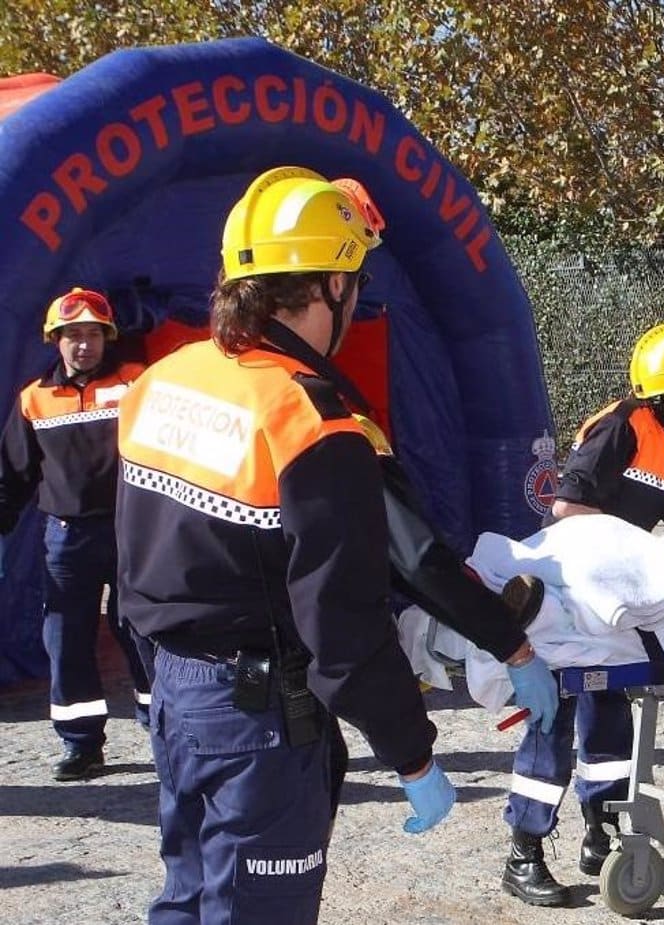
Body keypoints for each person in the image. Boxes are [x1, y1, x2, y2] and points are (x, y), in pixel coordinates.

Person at [116, 166, 549, 924]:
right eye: (354, 278)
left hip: (176, 699)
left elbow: (133, 563)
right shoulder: (312, 422)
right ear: (329, 287)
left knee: (187, 901)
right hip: (256, 719)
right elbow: (343, 631)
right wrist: (413, 753)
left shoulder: (162, 382)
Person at [501, 320, 664, 906]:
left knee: (608, 721)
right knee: (552, 719)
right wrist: (626, 560)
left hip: (611, 614)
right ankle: (522, 854)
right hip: (573, 601)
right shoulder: (621, 427)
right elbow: (569, 508)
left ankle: (600, 838)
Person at [0, 287, 152, 781]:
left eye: (93, 334)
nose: (83, 345)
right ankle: (82, 744)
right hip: (67, 539)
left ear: (108, 338)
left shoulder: (138, 385)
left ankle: (164, 727)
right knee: (66, 637)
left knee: (145, 632)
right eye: (72, 336)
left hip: (132, 533)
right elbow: (13, 476)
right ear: (55, 340)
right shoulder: (34, 400)